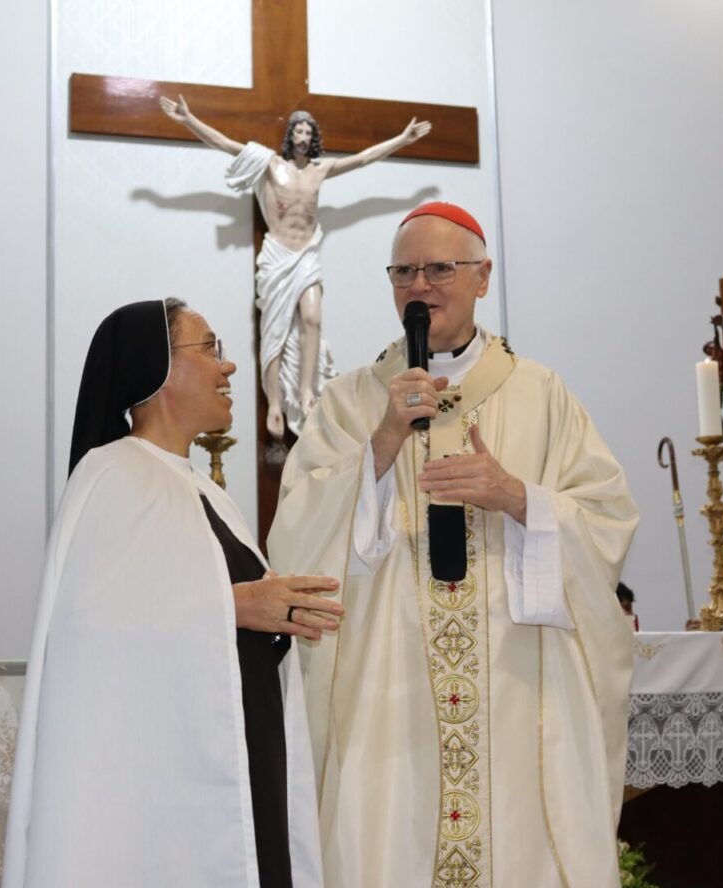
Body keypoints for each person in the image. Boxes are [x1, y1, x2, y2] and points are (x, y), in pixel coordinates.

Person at [267, 202, 640, 887]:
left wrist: (517, 496)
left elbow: (608, 516)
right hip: (387, 700)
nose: (420, 286)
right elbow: (295, 534)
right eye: (404, 271)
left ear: (483, 276)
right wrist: (379, 448)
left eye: (441, 268)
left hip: (515, 686)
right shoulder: (352, 401)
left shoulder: (542, 395)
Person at [2, 299, 341, 888]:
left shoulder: (212, 497)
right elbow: (95, 633)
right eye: (209, 348)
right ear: (155, 366)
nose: (228, 367)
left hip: (247, 751)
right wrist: (236, 606)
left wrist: (278, 612)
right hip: (167, 792)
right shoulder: (111, 475)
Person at [159, 95, 431, 438]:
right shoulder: (271, 165)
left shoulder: (320, 170)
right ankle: (274, 401)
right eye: (298, 130)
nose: (302, 136)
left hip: (306, 256)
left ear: (313, 137)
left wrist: (402, 140)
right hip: (278, 256)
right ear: (290, 136)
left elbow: (362, 159)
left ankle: (306, 391)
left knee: (313, 320)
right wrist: (188, 118)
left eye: (307, 131)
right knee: (274, 332)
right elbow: (226, 145)